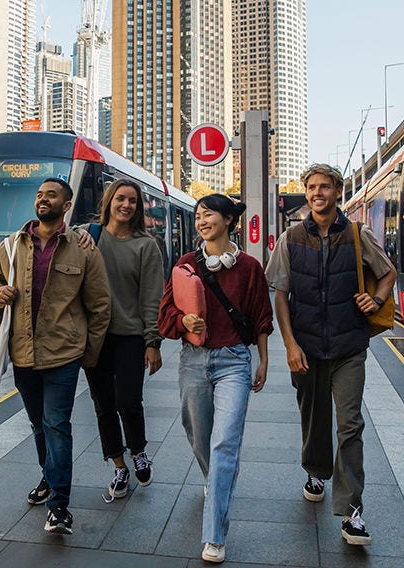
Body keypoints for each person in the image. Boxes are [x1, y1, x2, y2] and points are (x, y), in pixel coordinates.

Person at [265, 163, 397, 547]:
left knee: (350, 424)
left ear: (338, 191)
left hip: (348, 346)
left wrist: (376, 299)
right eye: (311, 187)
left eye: (324, 187)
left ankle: (352, 508)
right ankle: (316, 470)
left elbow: (388, 273)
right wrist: (289, 344)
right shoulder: (291, 237)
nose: (317, 193)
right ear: (306, 193)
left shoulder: (358, 235)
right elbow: (280, 294)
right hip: (305, 345)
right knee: (313, 415)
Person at [0, 177, 111, 536]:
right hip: (23, 354)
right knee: (39, 425)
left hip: (63, 356)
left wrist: (88, 353)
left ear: (66, 206)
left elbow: (100, 306)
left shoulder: (83, 248)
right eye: (39, 194)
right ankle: (49, 476)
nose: (43, 199)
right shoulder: (12, 245)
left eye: (51, 195)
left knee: (57, 425)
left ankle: (59, 506)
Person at [158, 193, 273, 564]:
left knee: (226, 444)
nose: (202, 221)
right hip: (193, 360)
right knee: (198, 435)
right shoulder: (185, 264)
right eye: (199, 216)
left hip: (235, 363)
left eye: (209, 215)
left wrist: (263, 361)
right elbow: (165, 316)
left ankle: (215, 534)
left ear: (228, 220)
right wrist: (183, 321)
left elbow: (260, 318)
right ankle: (215, 481)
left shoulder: (250, 268)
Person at [81, 179, 163, 501]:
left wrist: (152, 341)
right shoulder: (89, 236)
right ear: (109, 201)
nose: (126, 205)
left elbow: (151, 297)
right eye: (120, 198)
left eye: (132, 200)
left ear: (138, 207)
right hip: (96, 336)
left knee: (128, 400)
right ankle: (119, 466)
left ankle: (139, 451)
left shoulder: (146, 245)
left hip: (130, 335)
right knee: (103, 405)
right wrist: (79, 234)